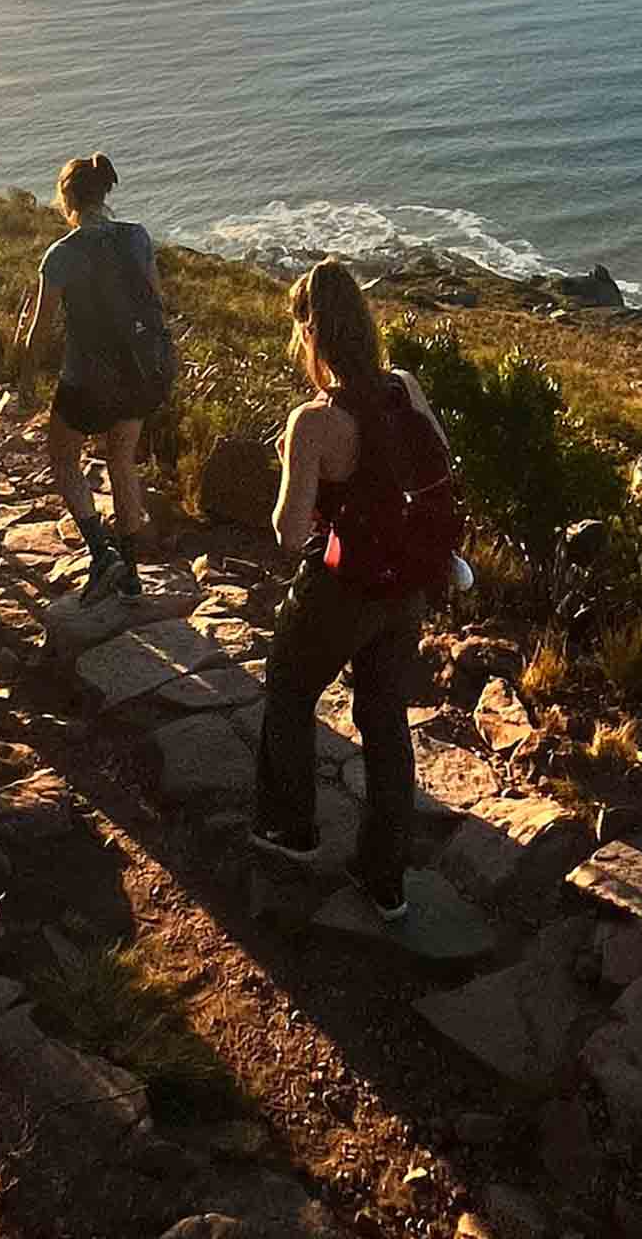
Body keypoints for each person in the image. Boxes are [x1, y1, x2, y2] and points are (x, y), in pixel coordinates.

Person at [250, 258, 459, 923]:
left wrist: (296, 468)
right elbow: (440, 462)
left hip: (341, 589)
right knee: (384, 718)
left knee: (288, 685)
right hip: (405, 585)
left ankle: (292, 827)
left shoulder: (312, 421)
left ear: (311, 333)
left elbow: (287, 533)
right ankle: (385, 876)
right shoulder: (405, 386)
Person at [16, 153, 175, 605]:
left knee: (63, 458)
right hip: (139, 373)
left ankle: (99, 551)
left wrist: (26, 377)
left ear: (67, 197)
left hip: (86, 380)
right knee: (121, 463)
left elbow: (40, 328)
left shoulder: (62, 254)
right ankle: (131, 574)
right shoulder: (137, 238)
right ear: (105, 193)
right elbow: (155, 299)